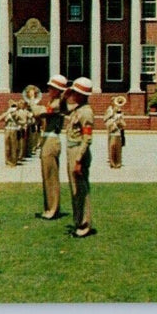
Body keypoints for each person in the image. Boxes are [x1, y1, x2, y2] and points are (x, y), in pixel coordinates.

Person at [32, 74, 69, 220]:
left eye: (51, 87)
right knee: (47, 175)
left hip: (51, 140)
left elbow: (39, 112)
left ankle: (52, 209)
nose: (48, 89)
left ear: (58, 90)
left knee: (50, 176)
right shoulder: (53, 102)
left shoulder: (58, 103)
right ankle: (50, 207)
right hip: (47, 139)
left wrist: (32, 102)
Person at [65, 76, 96, 238]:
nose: (73, 95)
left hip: (78, 151)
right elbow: (63, 110)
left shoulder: (86, 112)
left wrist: (78, 160)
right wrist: (64, 97)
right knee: (75, 190)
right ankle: (78, 222)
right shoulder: (77, 109)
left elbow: (87, 138)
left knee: (81, 190)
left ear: (82, 95)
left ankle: (84, 224)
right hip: (72, 149)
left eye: (75, 93)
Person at [106, 97, 126, 169]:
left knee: (118, 148)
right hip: (112, 131)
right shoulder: (109, 110)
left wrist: (120, 120)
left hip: (118, 132)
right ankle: (112, 162)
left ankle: (118, 163)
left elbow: (123, 124)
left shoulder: (119, 112)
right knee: (112, 147)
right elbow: (106, 119)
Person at [1, 102, 21, 167]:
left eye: (14, 106)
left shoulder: (17, 113)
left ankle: (13, 161)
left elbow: (18, 117)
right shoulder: (7, 113)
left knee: (13, 146)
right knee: (7, 147)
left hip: (13, 130)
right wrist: (8, 112)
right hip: (7, 130)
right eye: (12, 106)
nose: (13, 108)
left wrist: (14, 112)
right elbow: (0, 118)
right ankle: (7, 161)